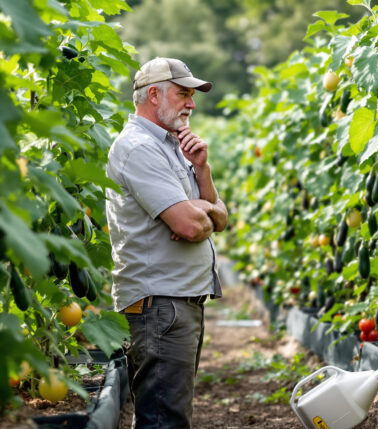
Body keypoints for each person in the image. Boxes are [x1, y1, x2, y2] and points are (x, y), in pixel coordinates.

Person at [105, 57, 228, 428]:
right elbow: (191, 227)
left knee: (168, 415)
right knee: (164, 420)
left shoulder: (174, 148)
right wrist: (198, 213)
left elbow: (220, 219)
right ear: (153, 94)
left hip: (176, 304)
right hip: (160, 307)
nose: (191, 103)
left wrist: (202, 172)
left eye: (192, 95)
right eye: (183, 93)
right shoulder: (138, 148)